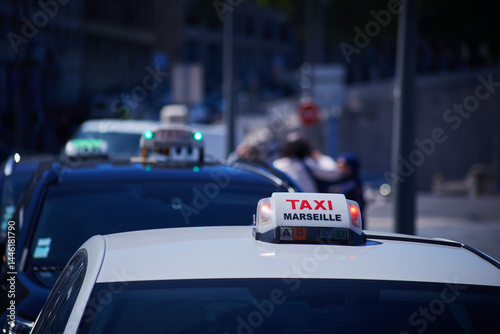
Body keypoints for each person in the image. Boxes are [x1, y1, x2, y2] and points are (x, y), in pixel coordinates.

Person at [272, 134, 339, 192]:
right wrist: (319, 157)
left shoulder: (277, 164)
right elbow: (334, 172)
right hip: (308, 201)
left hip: (287, 201)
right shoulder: (308, 163)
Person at [329, 152, 366, 228]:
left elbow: (359, 205)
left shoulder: (355, 184)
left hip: (351, 224)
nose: (340, 168)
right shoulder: (337, 182)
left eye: (344, 166)